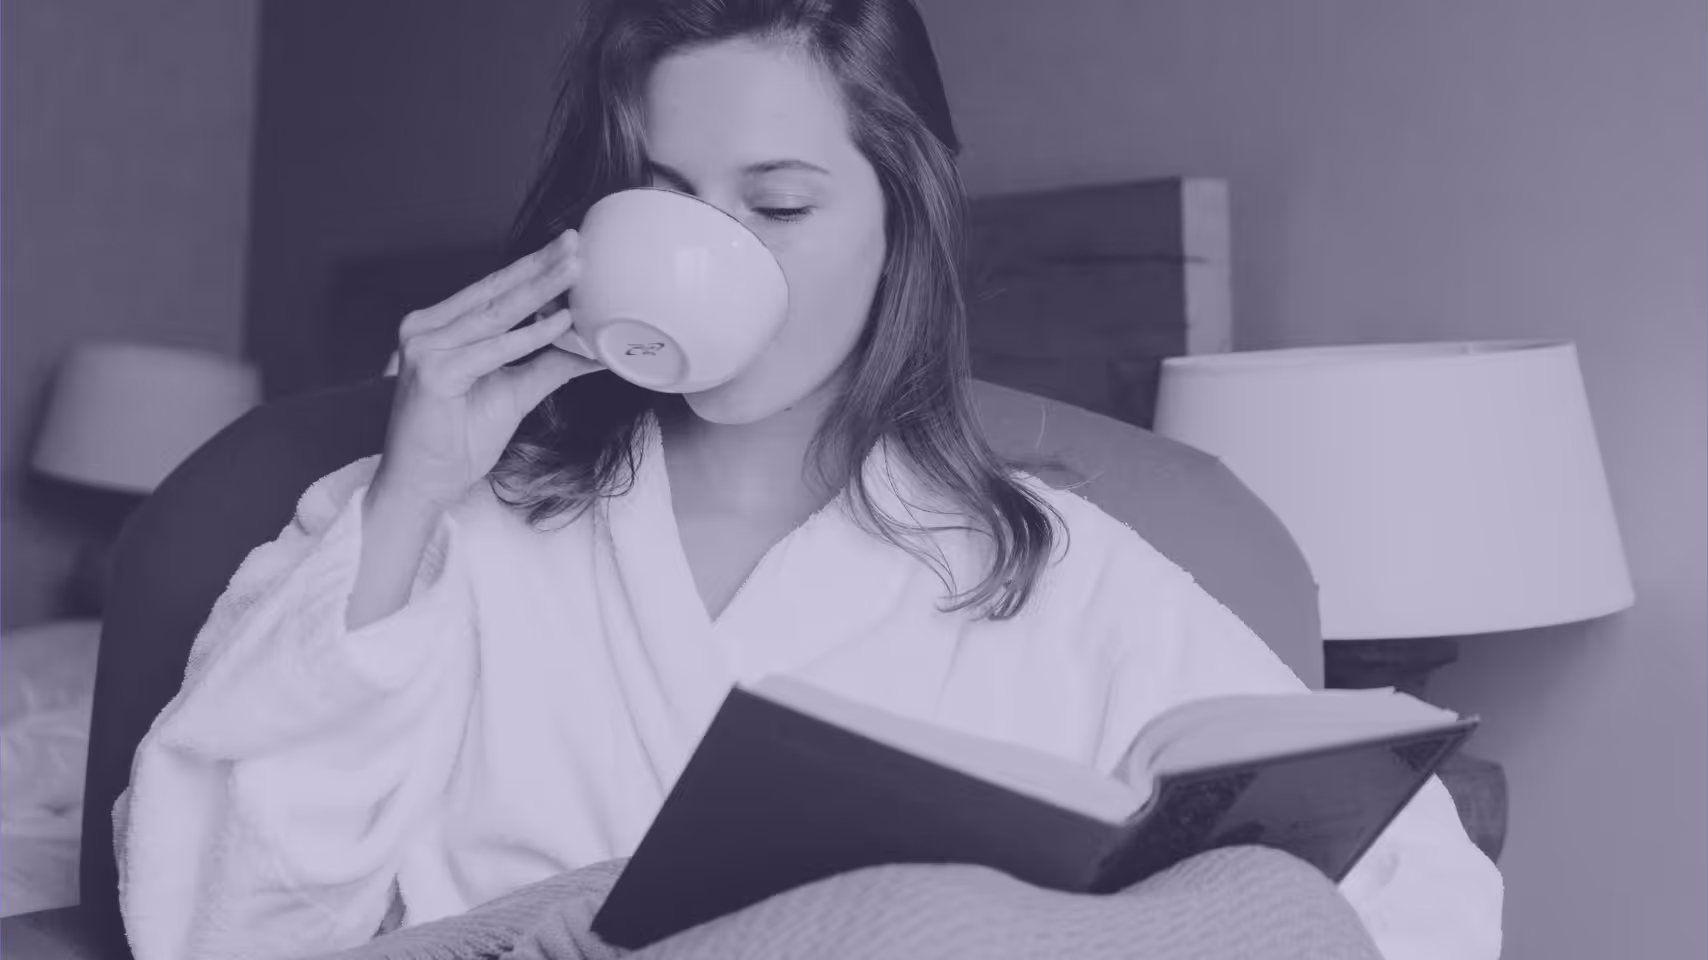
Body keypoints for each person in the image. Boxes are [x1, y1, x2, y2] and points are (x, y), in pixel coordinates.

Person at [113, 1, 1503, 958]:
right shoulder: (453, 523)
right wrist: (413, 497)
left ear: (901, 219)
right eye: (665, 202)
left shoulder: (1057, 570)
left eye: (777, 206)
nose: (715, 255)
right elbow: (217, 918)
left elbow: (1403, 904)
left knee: (1257, 901)